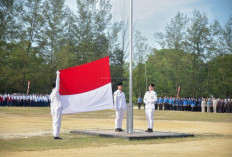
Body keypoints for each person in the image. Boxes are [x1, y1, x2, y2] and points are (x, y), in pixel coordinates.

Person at [50, 71, 63, 140]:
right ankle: (56, 136)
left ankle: (55, 134)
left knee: (54, 122)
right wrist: (58, 75)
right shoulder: (55, 91)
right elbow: (58, 83)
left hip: (53, 109)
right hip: (57, 109)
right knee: (57, 122)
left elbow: (51, 103)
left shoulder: (51, 93)